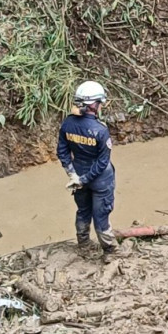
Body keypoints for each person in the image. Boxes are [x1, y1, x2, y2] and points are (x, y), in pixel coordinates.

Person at [56, 81, 121, 262]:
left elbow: (62, 152)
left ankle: (83, 245)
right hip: (100, 180)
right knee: (101, 215)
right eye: (100, 102)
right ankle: (110, 251)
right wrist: (85, 179)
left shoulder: (67, 124)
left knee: (83, 211)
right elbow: (102, 162)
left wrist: (73, 175)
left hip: (78, 175)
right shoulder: (100, 130)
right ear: (94, 104)